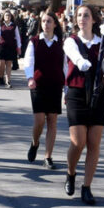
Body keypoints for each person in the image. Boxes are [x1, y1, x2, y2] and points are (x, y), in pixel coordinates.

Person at [62, 4, 104, 205]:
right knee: (78, 142)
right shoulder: (71, 40)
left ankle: (86, 186)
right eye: (79, 15)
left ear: (94, 19)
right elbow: (74, 55)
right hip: (77, 93)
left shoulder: (102, 43)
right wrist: (80, 61)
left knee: (94, 143)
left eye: (86, 15)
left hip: (98, 93)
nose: (82, 18)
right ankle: (71, 172)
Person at [23, 11, 65, 169]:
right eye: (44, 21)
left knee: (52, 121)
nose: (46, 24)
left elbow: (65, 66)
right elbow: (28, 61)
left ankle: (48, 156)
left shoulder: (61, 42)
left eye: (49, 21)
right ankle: (35, 143)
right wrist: (30, 77)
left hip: (55, 85)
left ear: (55, 24)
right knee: (40, 120)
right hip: (38, 84)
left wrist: (67, 87)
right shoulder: (34, 41)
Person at [0, 10, 21, 88]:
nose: (7, 17)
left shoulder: (14, 26)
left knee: (9, 64)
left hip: (11, 46)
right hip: (1, 46)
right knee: (1, 63)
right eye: (6, 15)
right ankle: (0, 77)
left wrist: (19, 47)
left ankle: (8, 81)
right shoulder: (0, 24)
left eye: (9, 16)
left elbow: (17, 37)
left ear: (11, 17)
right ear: (3, 16)